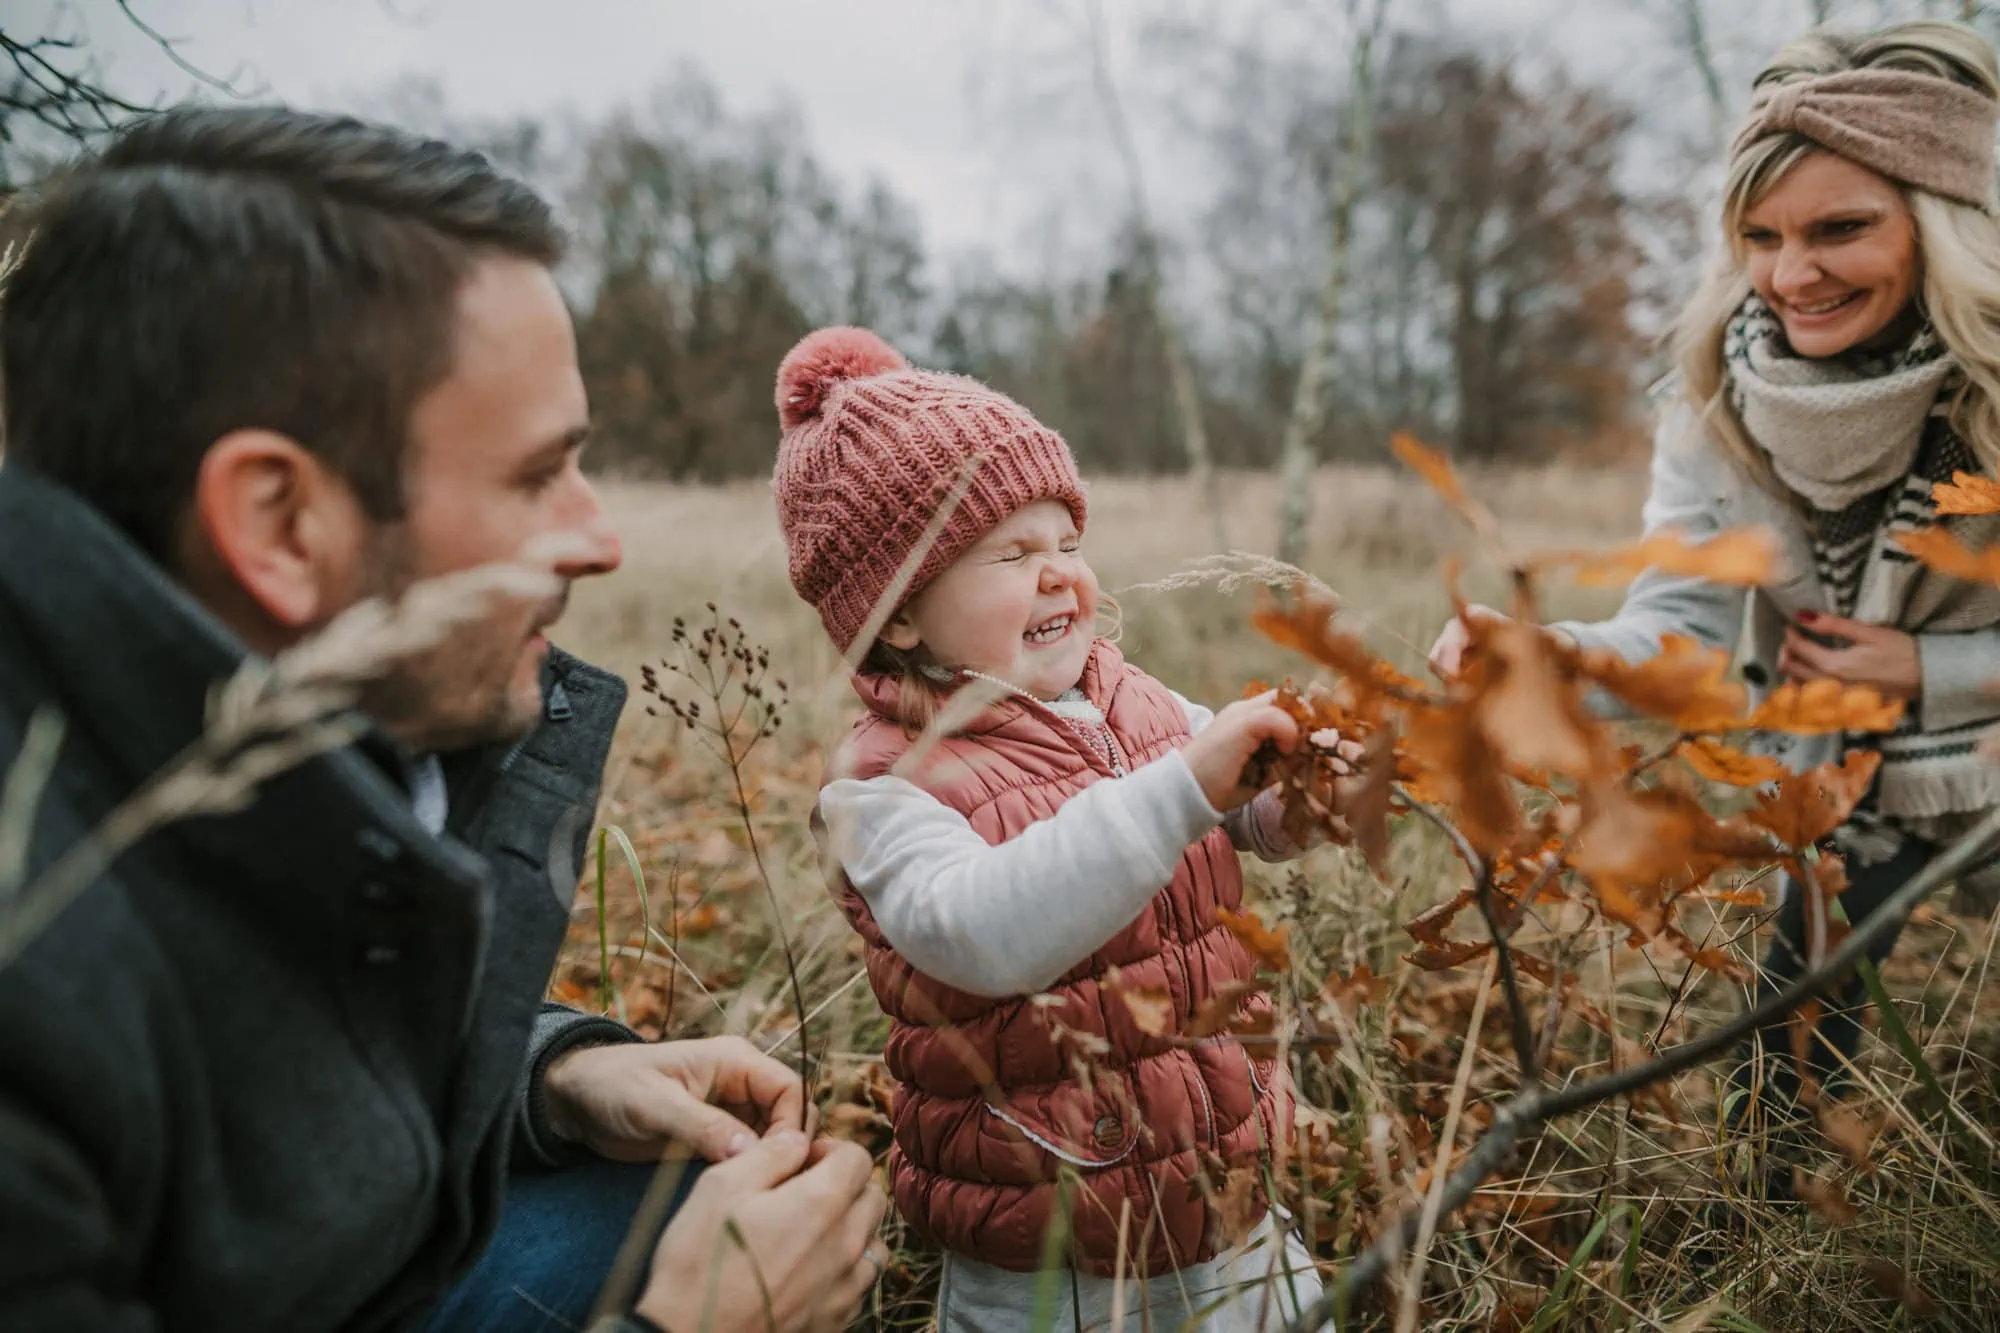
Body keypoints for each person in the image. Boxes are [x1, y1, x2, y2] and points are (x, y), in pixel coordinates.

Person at [0, 105, 885, 1332]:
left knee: (680, 1183)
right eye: (534, 475)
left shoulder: (276, 715)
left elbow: (269, 1029)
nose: (601, 537)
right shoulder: (26, 975)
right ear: (277, 522)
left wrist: (544, 1074)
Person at [1429, 21, 2000, 1137]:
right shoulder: (1711, 398)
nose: (1790, 275)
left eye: (1840, 228)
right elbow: (1683, 634)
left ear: (1944, 224)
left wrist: (1931, 669)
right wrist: (1557, 658)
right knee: (1772, 1104)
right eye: (1759, 235)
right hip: (1847, 785)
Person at [771, 327, 1355, 1332]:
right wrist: (1182, 788)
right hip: (1046, 1228)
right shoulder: (880, 790)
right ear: (899, 615)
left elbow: (1239, 808)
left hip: (1222, 1179)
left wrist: (1296, 800)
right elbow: (983, 934)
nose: (1058, 576)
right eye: (1011, 553)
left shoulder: (1131, 698)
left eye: (1067, 544)